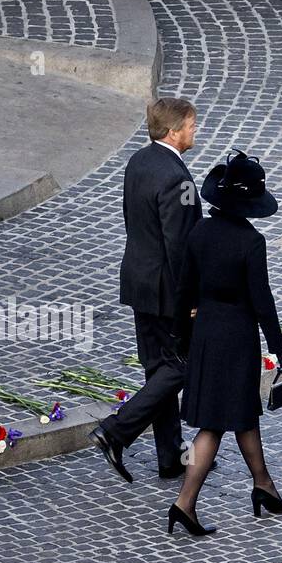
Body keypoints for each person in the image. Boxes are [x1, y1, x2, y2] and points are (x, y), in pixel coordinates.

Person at [168, 150, 282, 537]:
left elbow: (183, 290)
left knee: (242, 415)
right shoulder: (251, 243)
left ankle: (264, 486)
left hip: (206, 334)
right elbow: (263, 302)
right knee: (213, 426)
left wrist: (183, 334)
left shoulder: (199, 233)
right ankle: (184, 503)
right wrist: (281, 350)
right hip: (237, 340)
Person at [89, 97, 204, 482]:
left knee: (158, 369)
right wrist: (190, 299)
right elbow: (181, 246)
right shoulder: (179, 179)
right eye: (191, 125)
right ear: (173, 131)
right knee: (181, 367)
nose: (195, 131)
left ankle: (170, 457)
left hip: (139, 281)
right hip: (168, 292)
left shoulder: (139, 161)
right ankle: (116, 430)